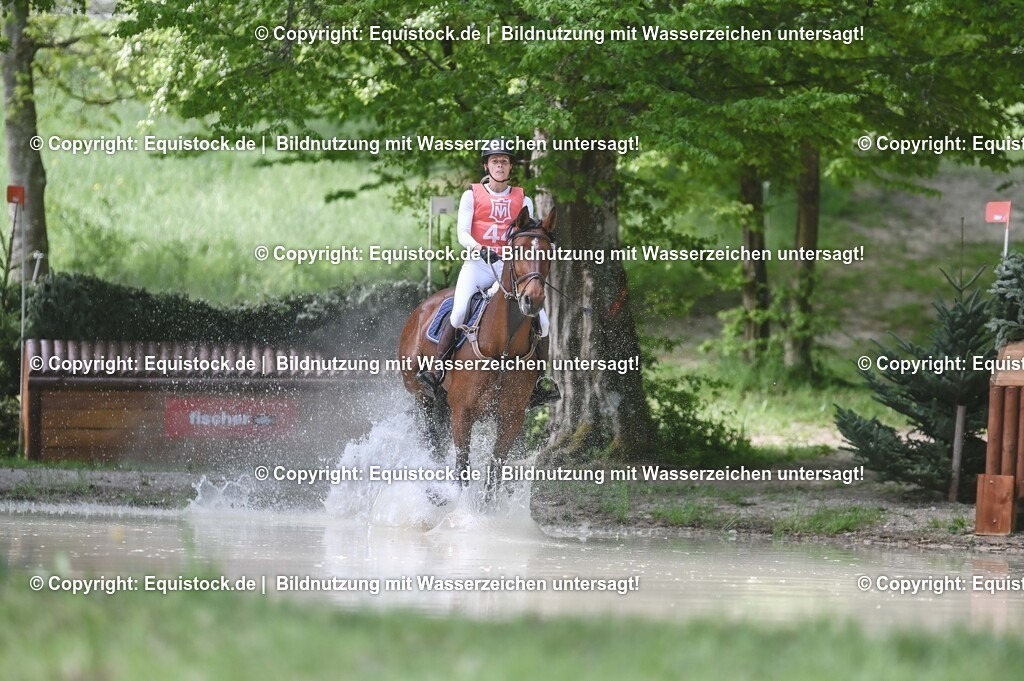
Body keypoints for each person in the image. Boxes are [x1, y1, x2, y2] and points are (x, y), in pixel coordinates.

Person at [417, 138, 560, 408]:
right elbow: (462, 233)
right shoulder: (471, 195)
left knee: (543, 323)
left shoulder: (523, 199)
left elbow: (529, 234)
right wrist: (479, 249)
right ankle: (437, 371)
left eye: (504, 161)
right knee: (459, 312)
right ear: (486, 165)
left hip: (509, 269)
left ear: (510, 167)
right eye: (495, 161)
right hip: (478, 265)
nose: (500, 165)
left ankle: (539, 383)